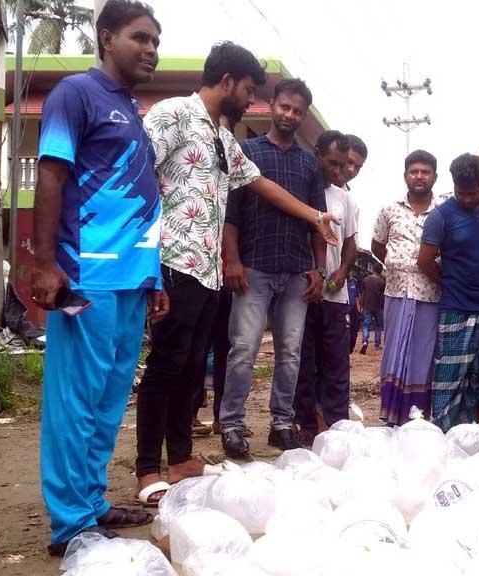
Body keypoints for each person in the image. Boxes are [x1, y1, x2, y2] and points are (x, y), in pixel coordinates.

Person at [135, 43, 338, 505]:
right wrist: (143, 261)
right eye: (249, 90)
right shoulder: (172, 116)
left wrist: (313, 216)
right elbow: (138, 176)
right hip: (171, 263)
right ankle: (147, 469)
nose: (251, 101)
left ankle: (182, 458)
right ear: (227, 81)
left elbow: (262, 184)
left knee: (191, 367)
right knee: (166, 365)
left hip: (206, 271)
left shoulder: (223, 137)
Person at [31, 0, 165, 555]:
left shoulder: (130, 108)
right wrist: (43, 262)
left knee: (110, 399)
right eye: (141, 38)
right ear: (106, 38)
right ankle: (70, 524)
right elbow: (51, 174)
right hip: (86, 277)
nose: (151, 50)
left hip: (132, 278)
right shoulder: (75, 94)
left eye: (156, 41)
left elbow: (139, 197)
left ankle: (91, 502)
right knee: (75, 399)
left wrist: (154, 277)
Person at [220, 78, 328, 456]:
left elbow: (318, 221)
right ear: (271, 105)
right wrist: (232, 260)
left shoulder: (309, 164)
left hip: (297, 272)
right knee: (244, 349)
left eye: (298, 111)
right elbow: (230, 217)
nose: (290, 115)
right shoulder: (245, 153)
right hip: (254, 269)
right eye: (285, 107)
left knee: (291, 352)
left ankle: (282, 423)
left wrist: (319, 269)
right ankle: (231, 425)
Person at [419, 153, 479, 432]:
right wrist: (451, 281)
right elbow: (425, 261)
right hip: (455, 309)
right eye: (461, 193)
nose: (467, 199)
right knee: (448, 378)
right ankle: (444, 435)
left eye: (473, 193)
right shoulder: (441, 216)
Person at [294, 130, 358, 444]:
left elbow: (351, 244)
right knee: (303, 360)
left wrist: (343, 271)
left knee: (336, 361)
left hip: (335, 294)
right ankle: (306, 423)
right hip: (302, 291)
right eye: (333, 163)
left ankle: (336, 424)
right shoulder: (301, 190)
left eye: (343, 165)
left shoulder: (345, 198)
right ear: (317, 154)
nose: (338, 171)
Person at [372, 150, 442, 425]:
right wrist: (397, 263)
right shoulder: (389, 210)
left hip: (430, 294)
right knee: (394, 352)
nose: (419, 176)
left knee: (424, 355)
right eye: (414, 171)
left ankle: (418, 418)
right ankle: (391, 416)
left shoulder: (443, 211)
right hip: (397, 292)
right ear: (405, 176)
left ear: (434, 176)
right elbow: (378, 244)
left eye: (425, 171)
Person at [344, 134, 368, 352]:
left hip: (336, 289)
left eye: (357, 167)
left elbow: (351, 244)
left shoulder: (351, 202)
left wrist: (341, 272)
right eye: (348, 161)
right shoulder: (312, 188)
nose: (351, 170)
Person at [359, 267, 385, 353]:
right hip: (379, 306)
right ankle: (377, 344)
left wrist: (361, 304)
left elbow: (363, 293)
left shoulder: (366, 280)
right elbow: (384, 295)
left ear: (373, 270)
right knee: (378, 325)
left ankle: (365, 341)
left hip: (367, 305)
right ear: (380, 271)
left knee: (366, 324)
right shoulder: (382, 282)